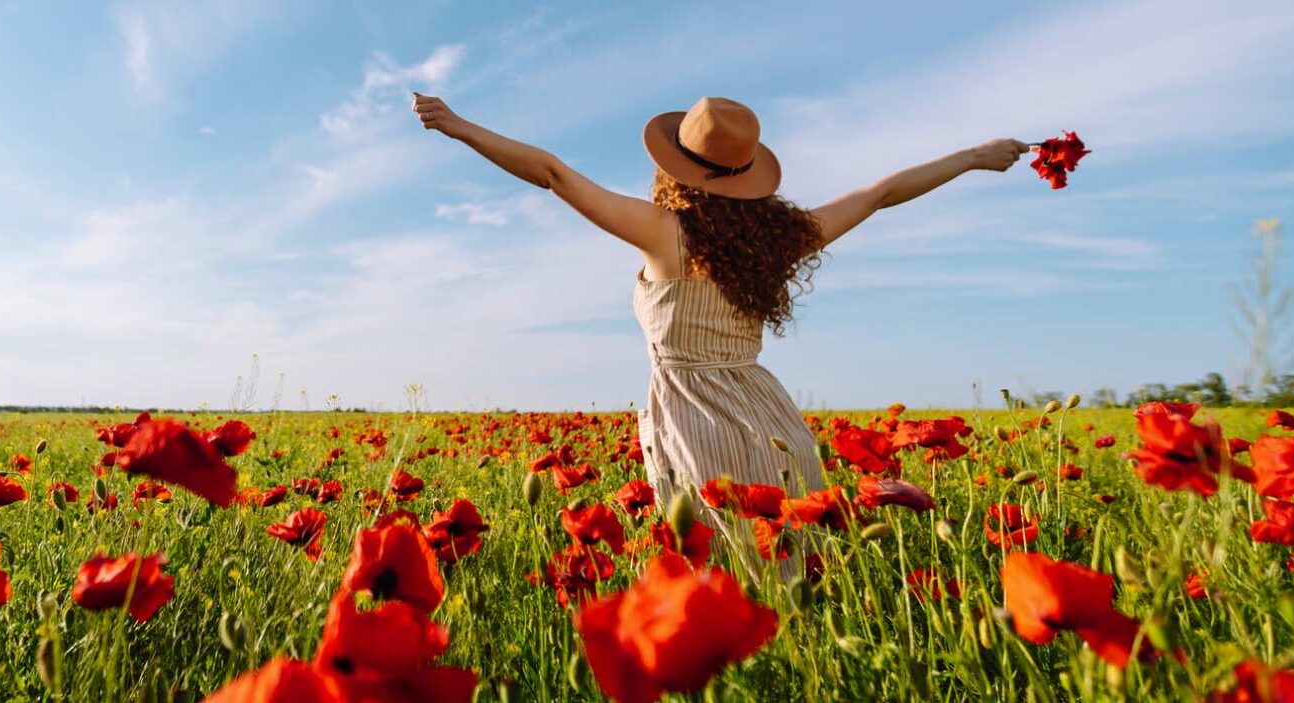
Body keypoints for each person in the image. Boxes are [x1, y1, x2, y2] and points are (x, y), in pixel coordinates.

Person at [413, 93, 1026, 568]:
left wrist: (460, 126)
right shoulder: (779, 239)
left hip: (693, 419)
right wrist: (972, 158)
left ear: (676, 166)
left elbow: (553, 172)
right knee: (788, 563)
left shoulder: (664, 233)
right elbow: (880, 194)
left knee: (720, 569)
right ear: (748, 173)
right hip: (771, 416)